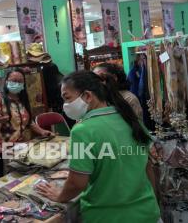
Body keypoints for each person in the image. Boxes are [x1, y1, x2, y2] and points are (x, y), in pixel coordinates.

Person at [36, 71, 160, 223]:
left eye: (67, 98)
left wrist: (60, 195)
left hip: (108, 216)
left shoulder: (83, 130)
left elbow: (77, 183)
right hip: (147, 212)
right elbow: (148, 168)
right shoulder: (131, 120)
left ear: (88, 96)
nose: (65, 105)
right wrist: (153, 203)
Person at [0, 69, 52, 144]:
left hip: (18, 145)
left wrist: (42, 131)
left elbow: (29, 122)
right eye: (14, 80)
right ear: (6, 81)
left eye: (20, 81)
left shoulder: (22, 100)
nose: (17, 83)